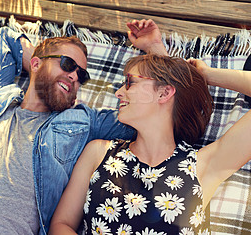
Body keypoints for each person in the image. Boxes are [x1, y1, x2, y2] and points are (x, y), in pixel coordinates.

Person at [0, 19, 168, 234]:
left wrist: (156, 50)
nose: (75, 76)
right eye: (67, 64)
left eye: (81, 76)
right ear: (33, 63)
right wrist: (42, 68)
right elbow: (6, 37)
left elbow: (154, 115)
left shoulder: (81, 122)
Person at [49, 54, 251, 234]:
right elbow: (61, 224)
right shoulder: (99, 153)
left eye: (130, 82)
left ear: (164, 93)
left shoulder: (203, 166)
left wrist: (207, 75)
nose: (119, 93)